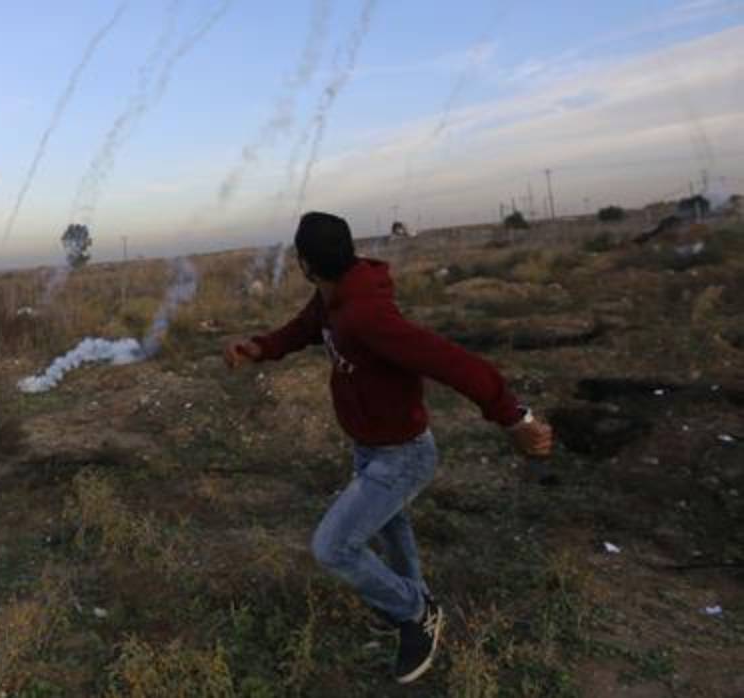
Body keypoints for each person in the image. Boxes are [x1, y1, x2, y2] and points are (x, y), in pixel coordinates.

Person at [223, 212, 554, 684]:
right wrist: (260, 348)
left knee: (332, 547)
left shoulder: (366, 315)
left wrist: (514, 417)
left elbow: (452, 362)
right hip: (371, 447)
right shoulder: (332, 296)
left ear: (305, 264)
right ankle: (410, 602)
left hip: (402, 455)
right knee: (390, 528)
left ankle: (416, 612)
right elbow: (304, 328)